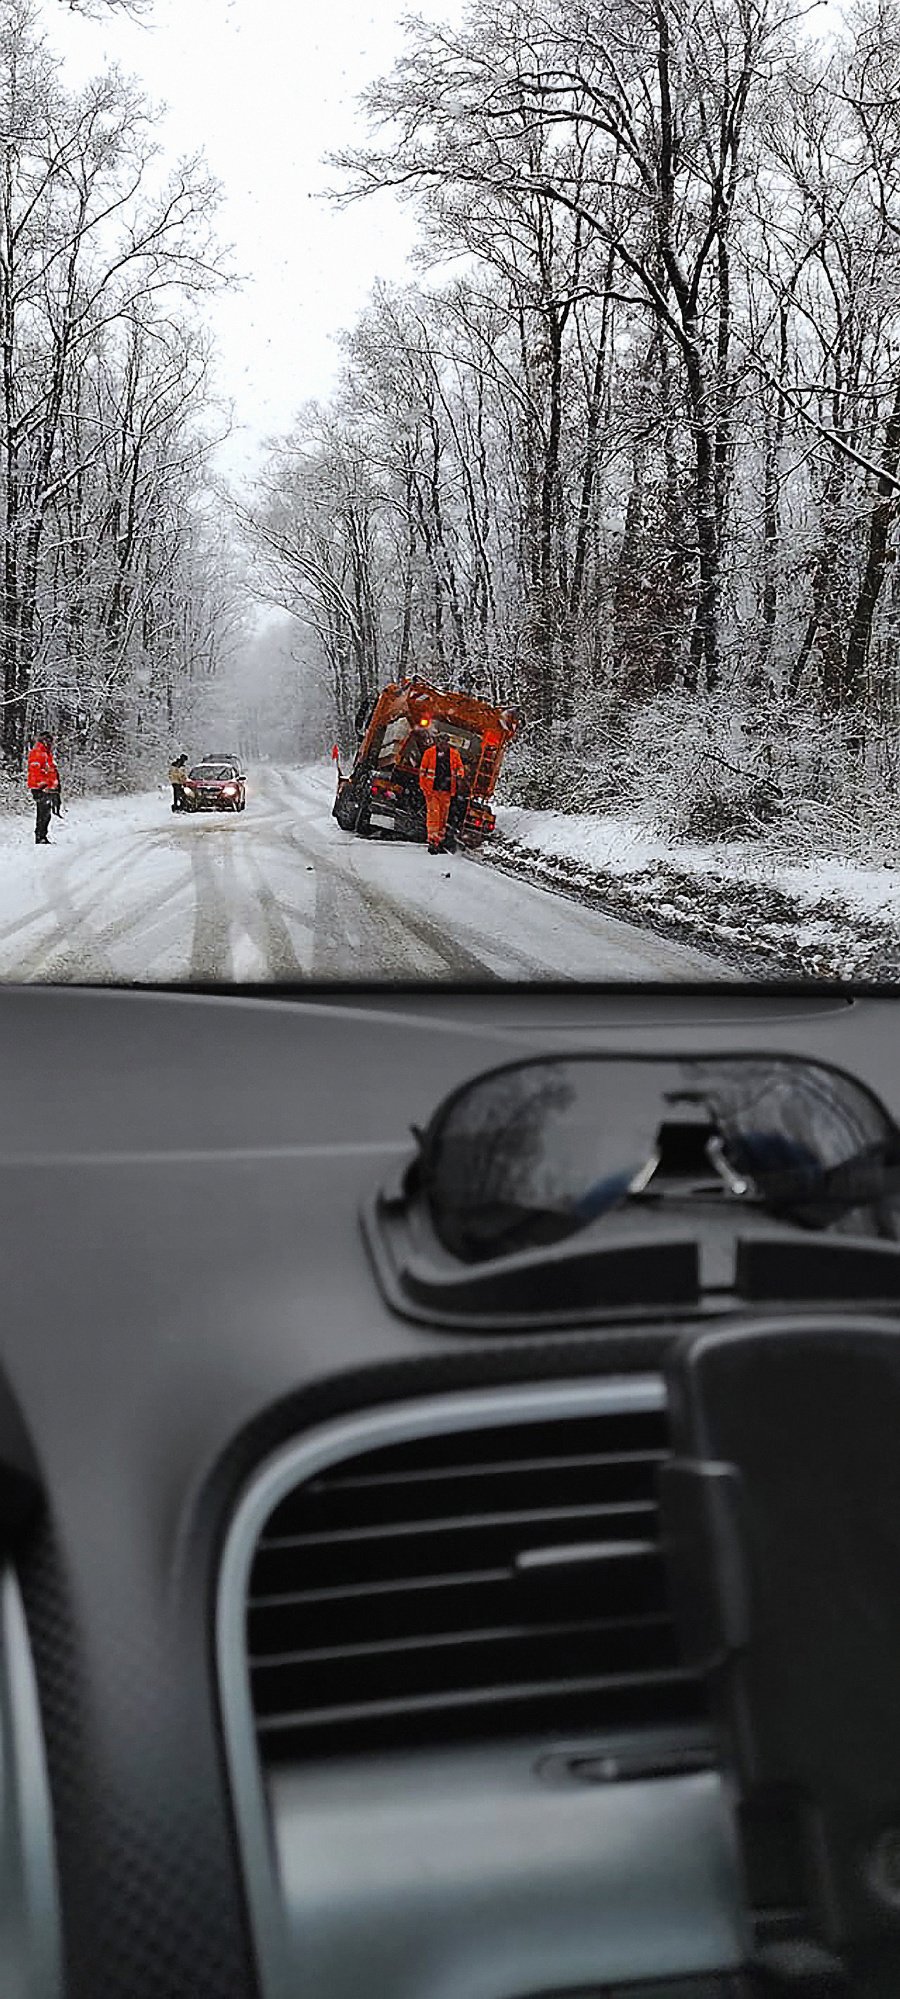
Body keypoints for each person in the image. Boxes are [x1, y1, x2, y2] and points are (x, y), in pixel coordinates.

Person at [418, 728, 467, 854]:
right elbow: (422, 772)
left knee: (443, 818)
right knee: (434, 816)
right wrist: (424, 789)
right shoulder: (429, 753)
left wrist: (460, 775)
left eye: (445, 742)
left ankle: (438, 841)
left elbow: (459, 767)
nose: (442, 744)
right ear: (437, 742)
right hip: (432, 791)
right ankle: (432, 842)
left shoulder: (454, 754)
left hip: (446, 792)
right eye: (440, 741)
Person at [27, 731, 60, 846]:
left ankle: (42, 836)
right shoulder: (38, 753)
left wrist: (54, 786)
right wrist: (43, 785)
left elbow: (51, 771)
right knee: (43, 813)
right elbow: (35, 771)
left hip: (47, 788)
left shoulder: (47, 753)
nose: (50, 743)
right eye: (48, 741)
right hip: (40, 788)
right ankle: (40, 837)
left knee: (46, 813)